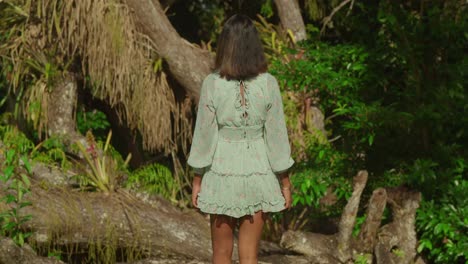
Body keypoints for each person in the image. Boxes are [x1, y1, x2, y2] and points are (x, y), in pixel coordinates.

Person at [187, 14, 294, 264]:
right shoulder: (269, 84)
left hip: (221, 173)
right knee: (250, 256)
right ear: (254, 46)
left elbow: (204, 135)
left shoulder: (212, 84)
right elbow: (277, 137)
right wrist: (285, 183)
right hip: (259, 174)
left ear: (225, 45)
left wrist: (197, 179)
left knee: (221, 255)